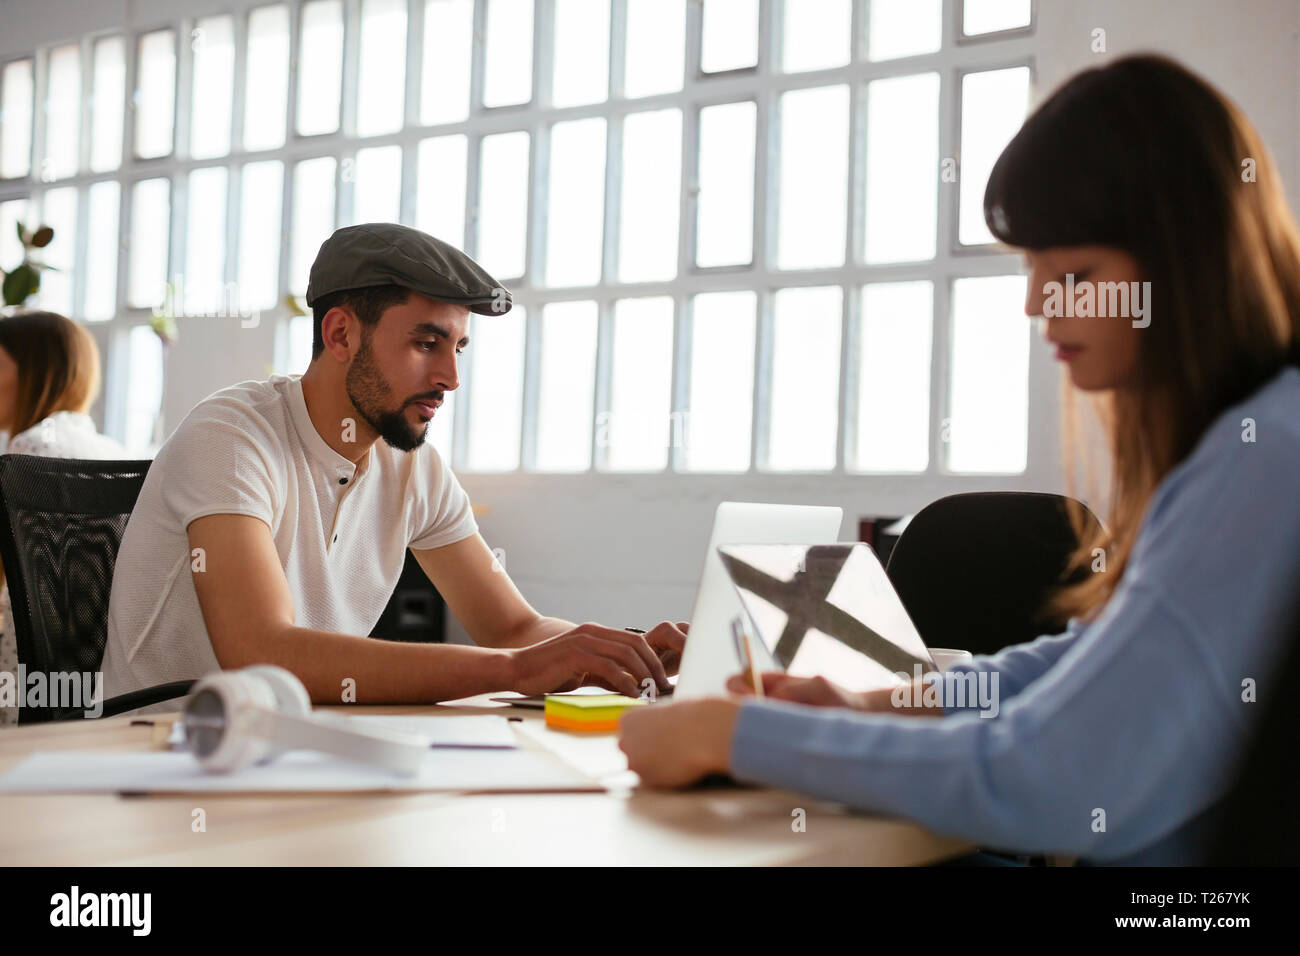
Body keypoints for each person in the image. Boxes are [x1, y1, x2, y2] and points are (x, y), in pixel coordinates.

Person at [619, 53, 1300, 865]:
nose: (1036, 304)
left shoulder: (1265, 460)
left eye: (1075, 272)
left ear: (1189, 263)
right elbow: (1089, 662)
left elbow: (1053, 778)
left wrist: (739, 735)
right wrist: (883, 705)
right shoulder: (1253, 440)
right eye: (1032, 271)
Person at [100, 224, 685, 712]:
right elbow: (262, 651)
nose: (450, 378)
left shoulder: (413, 469)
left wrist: (621, 652)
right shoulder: (231, 437)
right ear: (340, 334)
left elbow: (513, 630)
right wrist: (513, 670)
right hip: (165, 760)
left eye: (458, 349)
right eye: (427, 344)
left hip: (301, 756)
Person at [0, 310, 129, 725]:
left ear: (36, 371)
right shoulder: (114, 452)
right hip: (97, 685)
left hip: (20, 683)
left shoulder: (30, 451)